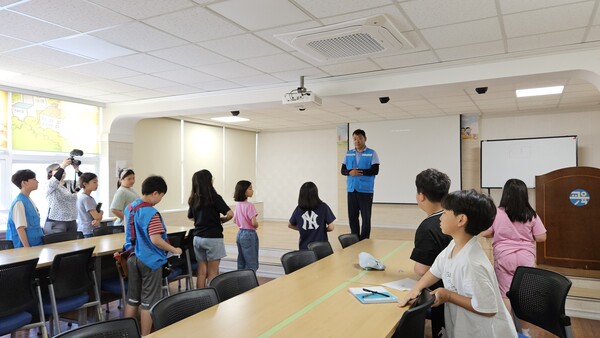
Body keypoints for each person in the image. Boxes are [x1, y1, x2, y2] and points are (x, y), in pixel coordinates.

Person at [399, 190, 516, 338]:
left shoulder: (472, 263)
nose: (440, 218)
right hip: (464, 326)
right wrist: (416, 288)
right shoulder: (454, 245)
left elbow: (488, 308)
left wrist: (448, 295)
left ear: (461, 220)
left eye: (445, 213)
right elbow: (435, 271)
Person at [480, 178, 547, 337]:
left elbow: (485, 232)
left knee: (505, 294)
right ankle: (525, 331)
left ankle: (509, 331)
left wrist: (498, 233)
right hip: (525, 258)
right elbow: (542, 237)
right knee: (524, 295)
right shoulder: (531, 214)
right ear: (524, 195)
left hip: (504, 258)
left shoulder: (497, 213)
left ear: (506, 194)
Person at [124, 175, 182, 336]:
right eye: (162, 196)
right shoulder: (151, 212)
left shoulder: (130, 208)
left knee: (132, 298)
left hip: (131, 257)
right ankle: (145, 335)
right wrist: (174, 249)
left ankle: (126, 333)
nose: (160, 200)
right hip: (149, 260)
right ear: (155, 193)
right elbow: (156, 240)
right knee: (148, 301)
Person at [410, 168, 452, 338]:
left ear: (421, 196)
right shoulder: (452, 217)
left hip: (442, 295)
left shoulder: (428, 227)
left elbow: (422, 269)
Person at [188, 169, 233, 288]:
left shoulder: (193, 199)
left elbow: (191, 217)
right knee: (213, 272)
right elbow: (230, 214)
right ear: (209, 181)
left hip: (197, 238)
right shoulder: (215, 197)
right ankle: (212, 300)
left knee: (201, 272)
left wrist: (201, 220)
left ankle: (200, 297)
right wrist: (223, 220)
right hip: (213, 238)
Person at [341, 129, 380, 240]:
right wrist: (350, 172)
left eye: (359, 138)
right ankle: (355, 239)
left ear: (365, 139)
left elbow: (375, 170)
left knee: (366, 218)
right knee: (352, 217)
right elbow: (343, 170)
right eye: (355, 139)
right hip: (351, 190)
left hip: (365, 191)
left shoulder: (372, 153)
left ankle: (364, 240)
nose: (357, 141)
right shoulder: (348, 154)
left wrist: (360, 172)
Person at [288, 182, 335, 250]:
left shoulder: (298, 209)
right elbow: (331, 227)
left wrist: (301, 228)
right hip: (321, 248)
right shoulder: (323, 207)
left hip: (305, 249)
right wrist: (321, 230)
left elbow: (290, 225)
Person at [6, 169, 44, 248]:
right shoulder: (19, 203)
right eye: (34, 179)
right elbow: (20, 228)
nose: (37, 182)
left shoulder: (28, 199)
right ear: (24, 183)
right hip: (24, 248)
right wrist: (27, 249)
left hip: (36, 244)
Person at [45, 158, 80, 234]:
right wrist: (63, 166)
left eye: (62, 169)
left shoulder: (70, 183)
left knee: (72, 244)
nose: (62, 171)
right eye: (57, 169)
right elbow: (54, 181)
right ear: (50, 173)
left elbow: (83, 182)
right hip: (56, 220)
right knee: (58, 245)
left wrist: (77, 170)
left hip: (72, 219)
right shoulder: (49, 184)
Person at [233, 180, 259, 272]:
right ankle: (251, 282)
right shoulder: (250, 205)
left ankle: (241, 281)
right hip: (249, 234)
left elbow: (234, 220)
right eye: (250, 188)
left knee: (241, 259)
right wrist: (257, 225)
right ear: (244, 191)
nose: (253, 190)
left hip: (240, 234)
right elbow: (254, 223)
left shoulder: (238, 205)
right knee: (251, 261)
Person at [76, 172, 104, 238]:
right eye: (94, 182)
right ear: (85, 184)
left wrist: (98, 219)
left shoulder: (87, 197)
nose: (97, 184)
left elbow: (97, 218)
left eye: (97, 182)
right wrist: (102, 212)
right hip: (88, 232)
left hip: (85, 230)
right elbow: (96, 216)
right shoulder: (86, 198)